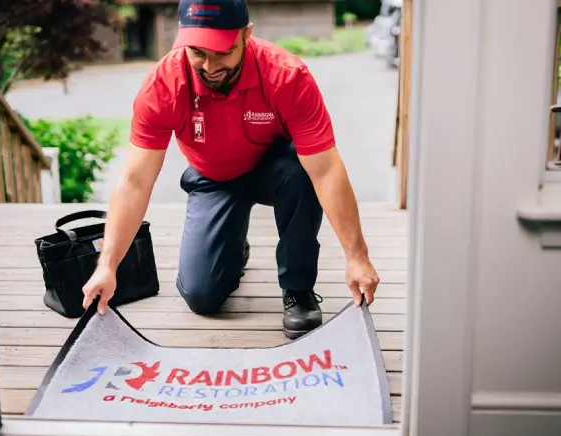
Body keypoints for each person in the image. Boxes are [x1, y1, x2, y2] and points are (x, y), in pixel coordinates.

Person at [81, 0, 380, 339]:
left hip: (275, 171)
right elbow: (135, 181)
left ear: (246, 35)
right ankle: (232, 249)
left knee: (303, 171)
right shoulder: (163, 86)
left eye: (222, 52)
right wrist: (107, 265)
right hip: (214, 177)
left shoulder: (286, 76)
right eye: (198, 52)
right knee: (201, 296)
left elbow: (326, 171)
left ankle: (298, 289)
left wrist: (357, 257)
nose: (210, 66)